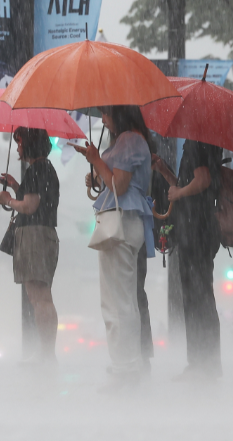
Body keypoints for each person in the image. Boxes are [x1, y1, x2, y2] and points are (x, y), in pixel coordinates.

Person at [74, 106, 155, 393]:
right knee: (125, 299)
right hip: (129, 222)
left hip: (121, 222)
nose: (103, 119)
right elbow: (113, 180)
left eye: (107, 113)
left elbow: (118, 185)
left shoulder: (129, 140)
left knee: (116, 301)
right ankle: (128, 364)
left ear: (120, 114)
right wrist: (97, 169)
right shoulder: (132, 140)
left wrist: (96, 160)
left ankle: (125, 367)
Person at [152, 139, 223, 382]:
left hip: (196, 230)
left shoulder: (196, 143)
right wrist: (164, 171)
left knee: (196, 298)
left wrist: (180, 192)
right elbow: (188, 184)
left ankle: (202, 364)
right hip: (201, 229)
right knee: (199, 296)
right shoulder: (205, 143)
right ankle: (205, 362)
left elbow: (202, 181)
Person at [0, 127, 60, 365]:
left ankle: (46, 353)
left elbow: (30, 206)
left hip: (34, 237)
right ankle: (46, 351)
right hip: (44, 235)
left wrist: (8, 200)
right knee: (40, 296)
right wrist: (14, 185)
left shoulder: (36, 170)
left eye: (20, 142)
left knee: (40, 297)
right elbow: (36, 200)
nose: (18, 147)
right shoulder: (46, 169)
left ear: (30, 143)